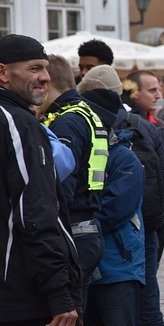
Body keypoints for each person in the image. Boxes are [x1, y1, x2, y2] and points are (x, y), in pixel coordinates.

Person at [0, 34, 85, 326]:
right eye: (35, 68)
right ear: (4, 72)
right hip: (24, 301)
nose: (45, 78)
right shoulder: (19, 125)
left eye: (46, 69)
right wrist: (60, 295)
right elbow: (34, 214)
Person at [78, 86, 146, 326]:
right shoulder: (88, 151)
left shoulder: (124, 157)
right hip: (88, 264)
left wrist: (78, 224)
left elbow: (116, 208)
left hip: (118, 266)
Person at [42, 54, 108, 310]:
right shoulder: (85, 112)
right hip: (88, 226)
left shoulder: (67, 120)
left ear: (48, 83)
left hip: (75, 229)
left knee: (68, 319)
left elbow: (63, 184)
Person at [123, 70, 164, 326]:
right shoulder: (142, 125)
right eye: (151, 90)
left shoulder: (154, 125)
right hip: (152, 223)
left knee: (147, 303)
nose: (158, 95)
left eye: (158, 90)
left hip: (150, 224)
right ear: (134, 93)